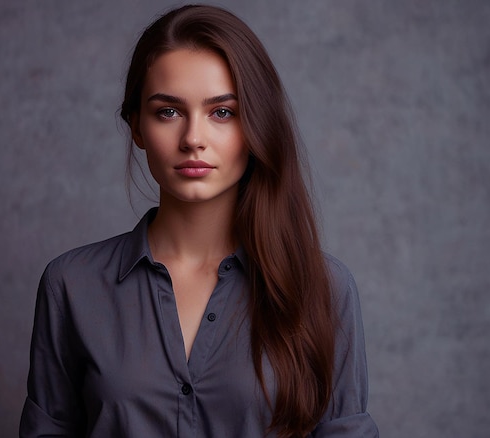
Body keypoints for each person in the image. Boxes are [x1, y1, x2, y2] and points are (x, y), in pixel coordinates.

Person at [20, 4, 378, 437]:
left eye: (222, 112)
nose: (193, 139)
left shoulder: (324, 288)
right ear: (136, 126)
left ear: (256, 125)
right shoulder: (72, 285)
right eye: (167, 112)